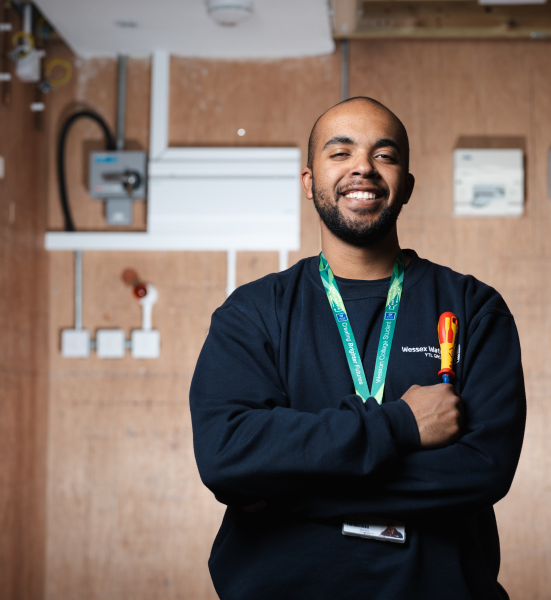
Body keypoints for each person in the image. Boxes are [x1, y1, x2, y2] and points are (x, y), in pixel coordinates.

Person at [189, 97, 526, 599]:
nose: (363, 168)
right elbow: (226, 455)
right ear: (309, 182)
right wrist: (402, 426)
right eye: (340, 153)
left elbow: (482, 470)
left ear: (407, 185)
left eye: (384, 155)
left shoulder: (472, 308)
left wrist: (289, 490)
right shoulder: (254, 312)